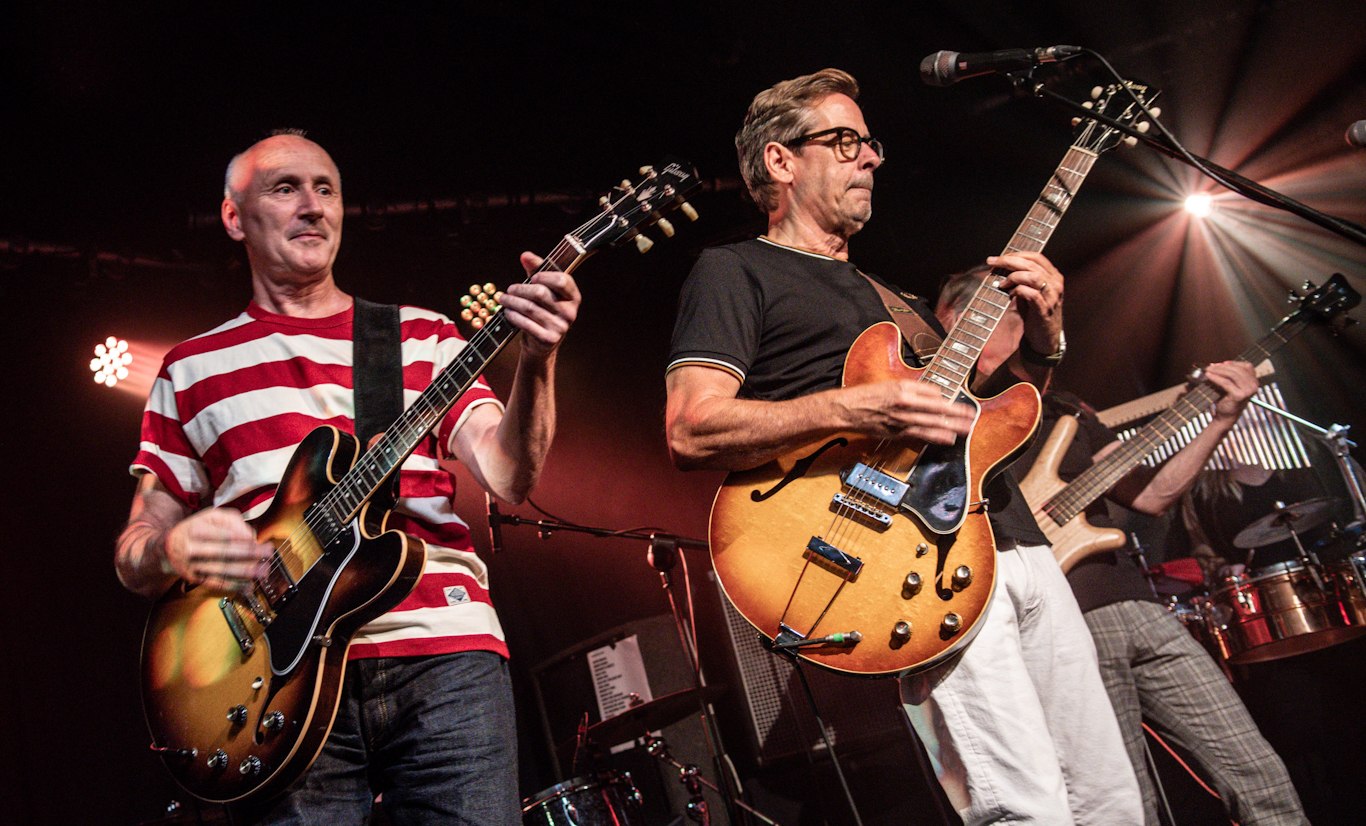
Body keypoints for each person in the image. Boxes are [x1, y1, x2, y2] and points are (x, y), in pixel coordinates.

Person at [665, 68, 1142, 825]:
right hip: (907, 562)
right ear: (781, 162)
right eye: (845, 140)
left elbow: (1004, 418)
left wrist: (1047, 336)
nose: (871, 158)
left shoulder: (899, 302)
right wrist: (856, 404)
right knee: (1027, 807)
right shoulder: (734, 271)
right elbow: (692, 427)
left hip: (1016, 546)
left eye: (871, 143)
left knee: (1112, 796)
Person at [115, 131, 580, 825]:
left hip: (444, 654)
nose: (313, 207)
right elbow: (134, 550)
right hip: (278, 683)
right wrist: (170, 549)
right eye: (286, 189)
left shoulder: (423, 337)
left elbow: (510, 475)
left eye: (326, 189)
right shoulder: (190, 370)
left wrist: (538, 361)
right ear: (235, 217)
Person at [937, 266, 1309, 826]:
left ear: (1011, 322)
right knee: (1123, 805)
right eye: (952, 328)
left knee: (1257, 774)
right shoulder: (955, 419)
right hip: (1064, 626)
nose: (957, 343)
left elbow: (1153, 494)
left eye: (974, 324)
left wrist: (1222, 419)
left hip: (1141, 611)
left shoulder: (1068, 411)